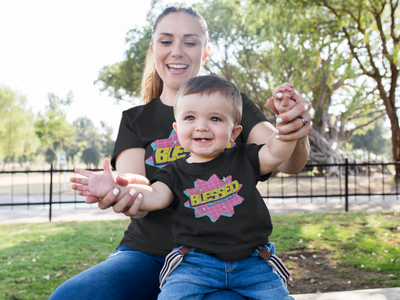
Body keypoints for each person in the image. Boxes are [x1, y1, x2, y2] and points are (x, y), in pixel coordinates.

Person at [50, 6, 310, 300]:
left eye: (189, 41)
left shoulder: (231, 104)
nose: (177, 51)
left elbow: (285, 158)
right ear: (153, 49)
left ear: (205, 51)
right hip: (147, 254)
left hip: (228, 257)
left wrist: (293, 127)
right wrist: (121, 189)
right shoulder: (135, 119)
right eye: (166, 41)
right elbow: (139, 184)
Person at [72, 75, 296, 300]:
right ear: (177, 129)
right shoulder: (173, 172)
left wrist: (287, 125)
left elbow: (275, 152)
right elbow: (153, 195)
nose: (202, 126)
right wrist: (117, 190)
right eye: (190, 117)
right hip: (195, 264)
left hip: (254, 262)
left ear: (235, 133)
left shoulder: (245, 157)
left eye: (215, 119)